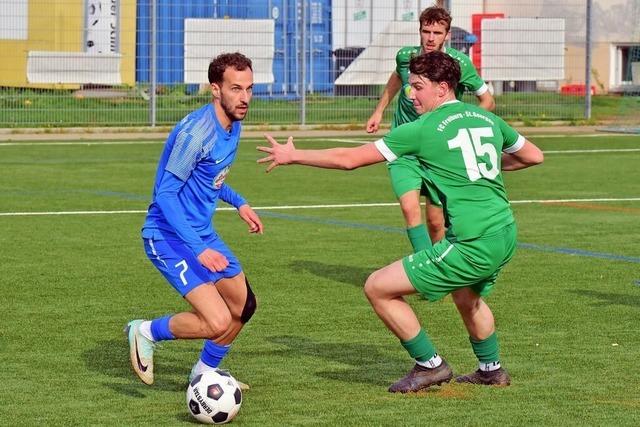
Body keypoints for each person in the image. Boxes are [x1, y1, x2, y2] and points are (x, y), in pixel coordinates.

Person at [257, 51, 543, 393]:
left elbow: (350, 159)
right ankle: (491, 370)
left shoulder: (422, 129)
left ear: (442, 88)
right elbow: (533, 155)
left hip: (472, 242)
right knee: (469, 297)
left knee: (377, 287)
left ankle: (430, 365)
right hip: (505, 234)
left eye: (418, 87)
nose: (410, 94)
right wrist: (483, 170)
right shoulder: (484, 118)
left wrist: (294, 155)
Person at [126, 52, 262, 388]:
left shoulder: (234, 124)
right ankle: (144, 331)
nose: (244, 98)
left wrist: (239, 202)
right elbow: (166, 195)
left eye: (249, 88)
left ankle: (204, 372)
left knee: (244, 305)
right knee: (216, 321)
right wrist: (199, 249)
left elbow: (210, 176)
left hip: (201, 234)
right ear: (215, 90)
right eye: (235, 89)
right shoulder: (196, 133)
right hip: (167, 236)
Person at [366, 6, 495, 254]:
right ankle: (424, 268)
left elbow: (487, 100)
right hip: (405, 148)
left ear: (447, 34)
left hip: (438, 150)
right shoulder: (406, 57)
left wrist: (466, 122)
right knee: (409, 208)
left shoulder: (458, 63)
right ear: (420, 31)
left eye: (438, 32)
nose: (431, 37)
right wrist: (379, 110)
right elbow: (397, 78)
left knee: (436, 223)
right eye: (426, 31)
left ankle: (441, 268)